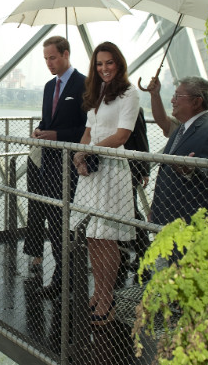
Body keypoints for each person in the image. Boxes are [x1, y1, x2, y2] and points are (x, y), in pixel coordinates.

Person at [69, 42, 140, 325]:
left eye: (109, 62)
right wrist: (79, 154)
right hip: (92, 171)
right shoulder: (97, 93)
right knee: (91, 235)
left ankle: (108, 297)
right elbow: (88, 131)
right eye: (99, 64)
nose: (104, 68)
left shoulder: (129, 93)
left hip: (111, 171)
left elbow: (122, 135)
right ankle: (98, 291)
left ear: (119, 64)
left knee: (107, 236)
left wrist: (89, 150)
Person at [25, 35, 87, 297]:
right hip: (49, 164)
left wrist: (57, 136)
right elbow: (48, 120)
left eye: (52, 57)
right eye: (46, 59)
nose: (49, 63)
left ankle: (69, 280)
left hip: (71, 165)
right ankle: (62, 280)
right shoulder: (50, 87)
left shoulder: (84, 84)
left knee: (67, 224)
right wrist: (40, 130)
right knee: (54, 221)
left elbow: (87, 129)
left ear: (66, 54)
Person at [148, 76, 208, 239]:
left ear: (196, 102)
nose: (172, 100)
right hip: (169, 219)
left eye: (178, 96)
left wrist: (191, 169)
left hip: (190, 225)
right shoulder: (182, 128)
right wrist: (156, 207)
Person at [146, 77, 208, 162]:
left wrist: (189, 172)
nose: (172, 101)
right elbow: (163, 121)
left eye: (178, 96)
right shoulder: (185, 127)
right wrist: (155, 95)